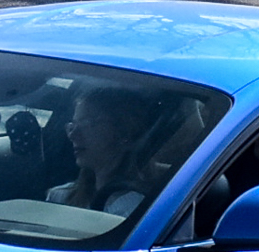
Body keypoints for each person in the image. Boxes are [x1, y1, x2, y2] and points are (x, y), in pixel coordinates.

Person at [47, 85, 178, 218]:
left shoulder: (133, 209)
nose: (73, 135)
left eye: (88, 124)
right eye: (72, 126)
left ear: (124, 134)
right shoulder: (59, 197)